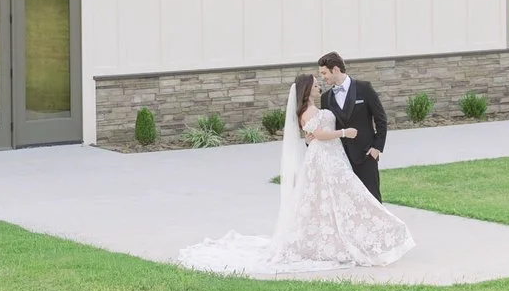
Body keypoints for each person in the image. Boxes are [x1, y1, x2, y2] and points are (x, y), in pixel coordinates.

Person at [178, 71, 415, 276]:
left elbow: (316, 134)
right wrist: (344, 133)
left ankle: (361, 236)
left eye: (321, 79)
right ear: (307, 89)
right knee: (339, 197)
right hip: (324, 159)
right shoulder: (309, 110)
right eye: (316, 83)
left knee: (341, 198)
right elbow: (318, 135)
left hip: (334, 156)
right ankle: (349, 239)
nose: (319, 85)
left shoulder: (320, 105)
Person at [318, 51, 388, 201]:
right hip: (340, 160)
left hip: (366, 156)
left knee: (373, 201)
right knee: (348, 203)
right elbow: (326, 128)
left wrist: (376, 148)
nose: (323, 77)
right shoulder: (325, 98)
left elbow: (381, 119)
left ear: (335, 69)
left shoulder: (364, 88)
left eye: (324, 73)